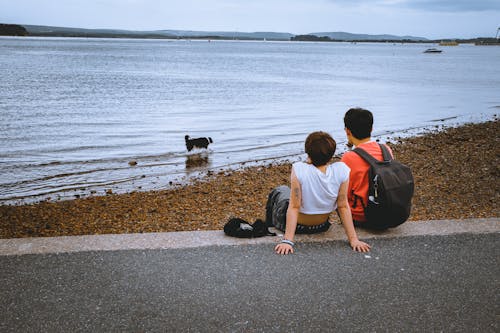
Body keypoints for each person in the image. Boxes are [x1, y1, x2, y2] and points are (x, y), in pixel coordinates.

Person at [267, 131, 371, 255]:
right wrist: (354, 239)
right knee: (288, 195)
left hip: (299, 227)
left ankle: (268, 226)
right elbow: (343, 206)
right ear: (331, 154)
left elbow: (294, 206)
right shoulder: (341, 170)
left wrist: (288, 241)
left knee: (281, 191)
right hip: (321, 226)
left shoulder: (299, 169)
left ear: (308, 153)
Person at [340, 107, 393, 228]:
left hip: (362, 216)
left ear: (347, 131)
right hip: (388, 211)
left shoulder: (349, 157)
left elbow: (344, 195)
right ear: (371, 128)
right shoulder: (386, 149)